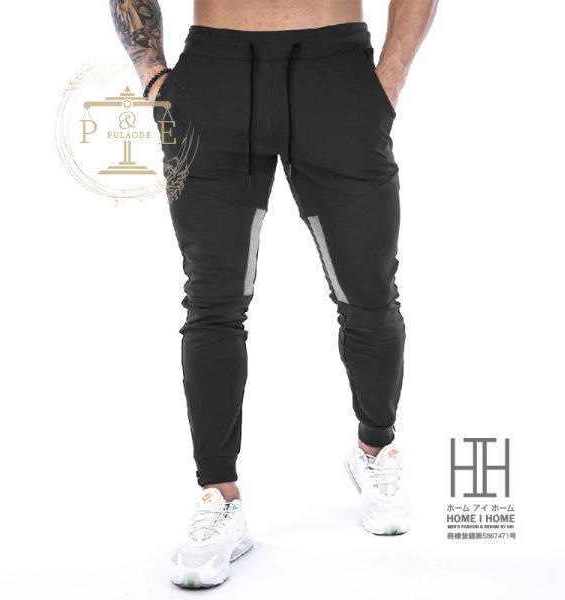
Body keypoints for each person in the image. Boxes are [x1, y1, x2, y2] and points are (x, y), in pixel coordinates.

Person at [111, 0, 437, 588]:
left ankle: (374, 450)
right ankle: (219, 496)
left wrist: (391, 75)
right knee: (212, 301)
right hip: (214, 76)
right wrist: (153, 76)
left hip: (336, 72)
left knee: (368, 291)